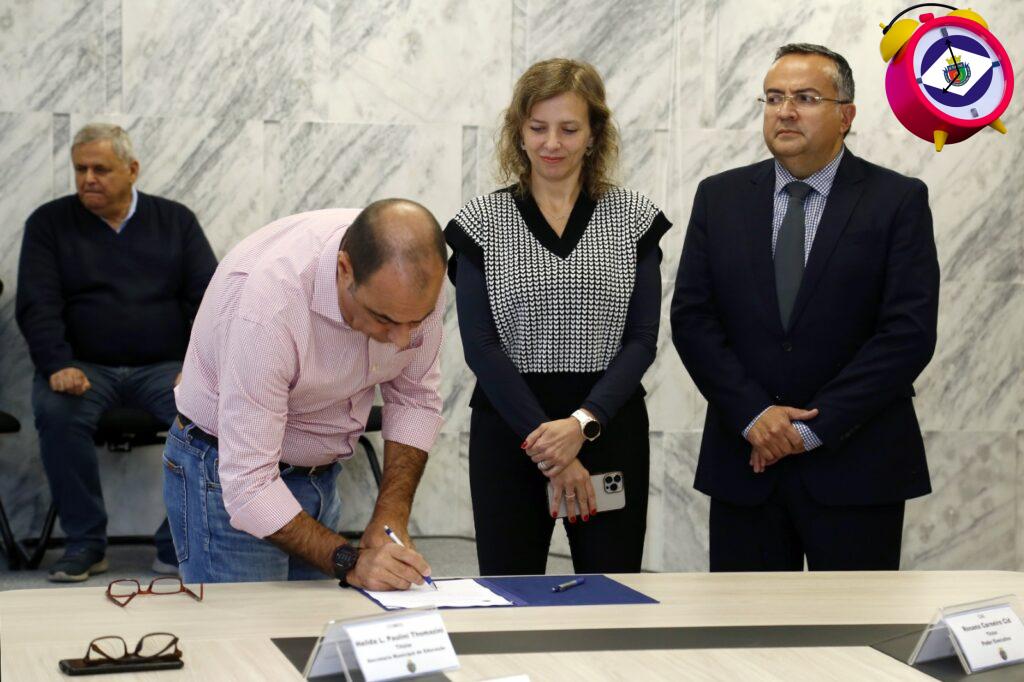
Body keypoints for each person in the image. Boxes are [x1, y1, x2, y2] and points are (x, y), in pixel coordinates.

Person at [671, 44, 939, 571]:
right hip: (745, 466)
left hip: (858, 468)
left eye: (806, 98)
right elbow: (693, 319)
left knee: (855, 623)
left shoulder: (897, 200)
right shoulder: (719, 197)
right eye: (774, 98)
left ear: (846, 115)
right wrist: (754, 415)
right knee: (747, 622)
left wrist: (810, 428)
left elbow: (907, 334)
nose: (785, 111)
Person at [446, 58, 671, 575]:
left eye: (569, 129)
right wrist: (553, 449)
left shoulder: (634, 218)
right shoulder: (479, 222)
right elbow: (481, 347)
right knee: (511, 593)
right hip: (510, 430)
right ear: (518, 133)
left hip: (608, 427)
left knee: (610, 593)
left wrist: (581, 426)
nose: (552, 143)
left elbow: (641, 340)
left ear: (593, 135)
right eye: (538, 128)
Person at [166, 199, 446, 587]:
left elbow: (415, 400)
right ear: (344, 270)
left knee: (314, 620)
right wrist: (351, 561)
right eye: (384, 319)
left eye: (416, 321)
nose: (402, 340)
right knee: (247, 623)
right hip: (223, 475)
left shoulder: (415, 285)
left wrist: (390, 516)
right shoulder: (268, 306)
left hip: (319, 477)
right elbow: (249, 485)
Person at [16, 123, 218, 582]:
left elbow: (210, 300)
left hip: (164, 368)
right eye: (80, 169)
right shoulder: (50, 223)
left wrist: (198, 368)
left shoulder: (175, 221)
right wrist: (57, 364)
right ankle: (85, 543)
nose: (88, 178)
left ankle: (176, 542)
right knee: (57, 412)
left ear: (132, 170)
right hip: (84, 369)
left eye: (100, 169)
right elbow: (37, 303)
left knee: (210, 416)